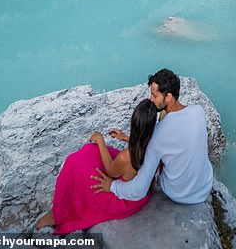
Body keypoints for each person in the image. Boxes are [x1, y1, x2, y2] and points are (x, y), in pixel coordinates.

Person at [35, 98, 157, 234]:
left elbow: (111, 171)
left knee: (76, 165)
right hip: (137, 187)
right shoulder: (154, 142)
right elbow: (141, 145)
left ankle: (58, 214)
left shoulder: (125, 156)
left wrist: (100, 140)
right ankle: (62, 206)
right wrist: (126, 138)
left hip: (122, 198)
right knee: (89, 152)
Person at [91, 69, 213, 204]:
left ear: (169, 97)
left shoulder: (158, 135)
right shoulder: (198, 111)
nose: (151, 99)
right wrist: (127, 138)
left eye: (154, 95)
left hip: (179, 194)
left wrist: (112, 186)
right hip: (204, 186)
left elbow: (138, 190)